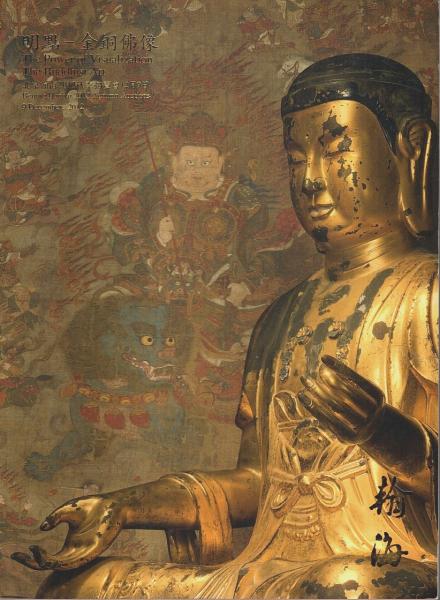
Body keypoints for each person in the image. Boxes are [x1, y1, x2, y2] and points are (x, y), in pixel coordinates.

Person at [12, 53, 438, 599]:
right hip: (266, 571)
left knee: (353, 584)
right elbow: (257, 483)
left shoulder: (428, 293)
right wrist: (127, 506)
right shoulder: (283, 315)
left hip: (382, 561)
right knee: (80, 585)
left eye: (336, 151)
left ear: (411, 149)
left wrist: (385, 434)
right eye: (296, 159)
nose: (311, 180)